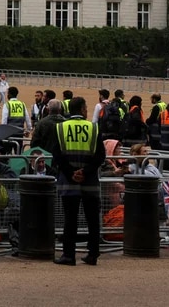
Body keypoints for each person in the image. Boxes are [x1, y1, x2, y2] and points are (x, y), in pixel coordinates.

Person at [51, 97, 105, 266]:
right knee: (92, 220)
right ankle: (93, 253)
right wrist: (85, 171)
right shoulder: (94, 128)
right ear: (82, 110)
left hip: (68, 180)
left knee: (70, 219)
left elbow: (57, 155)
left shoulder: (60, 128)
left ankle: (69, 255)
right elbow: (100, 156)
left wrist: (71, 172)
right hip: (90, 181)